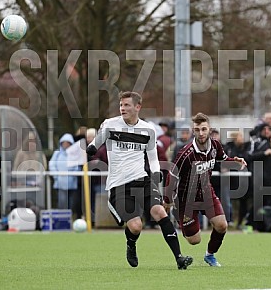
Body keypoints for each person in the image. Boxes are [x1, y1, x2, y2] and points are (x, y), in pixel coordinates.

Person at [86, 91, 193, 270]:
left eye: (127, 105)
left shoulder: (148, 130)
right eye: (121, 105)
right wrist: (92, 148)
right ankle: (131, 244)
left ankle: (179, 258)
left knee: (160, 212)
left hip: (142, 180)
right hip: (118, 185)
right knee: (136, 226)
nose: (122, 108)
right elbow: (97, 142)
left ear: (138, 107)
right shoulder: (110, 125)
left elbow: (152, 156)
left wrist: (157, 172)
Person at [165, 113, 246, 267]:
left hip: (207, 193)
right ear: (193, 131)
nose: (201, 133)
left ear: (209, 129)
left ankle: (210, 255)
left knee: (222, 225)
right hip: (187, 200)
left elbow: (222, 157)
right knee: (194, 240)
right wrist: (168, 200)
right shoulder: (185, 154)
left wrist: (234, 160)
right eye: (197, 130)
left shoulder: (215, 145)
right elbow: (172, 175)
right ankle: (182, 219)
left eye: (204, 129)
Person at [49, 133, 84, 219]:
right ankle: (62, 220)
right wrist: (56, 176)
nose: (66, 145)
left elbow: (77, 166)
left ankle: (70, 219)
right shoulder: (57, 153)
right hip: (60, 183)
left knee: (72, 203)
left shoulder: (74, 154)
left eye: (68, 143)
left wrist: (73, 174)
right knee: (62, 203)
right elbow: (52, 165)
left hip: (72, 184)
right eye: (64, 143)